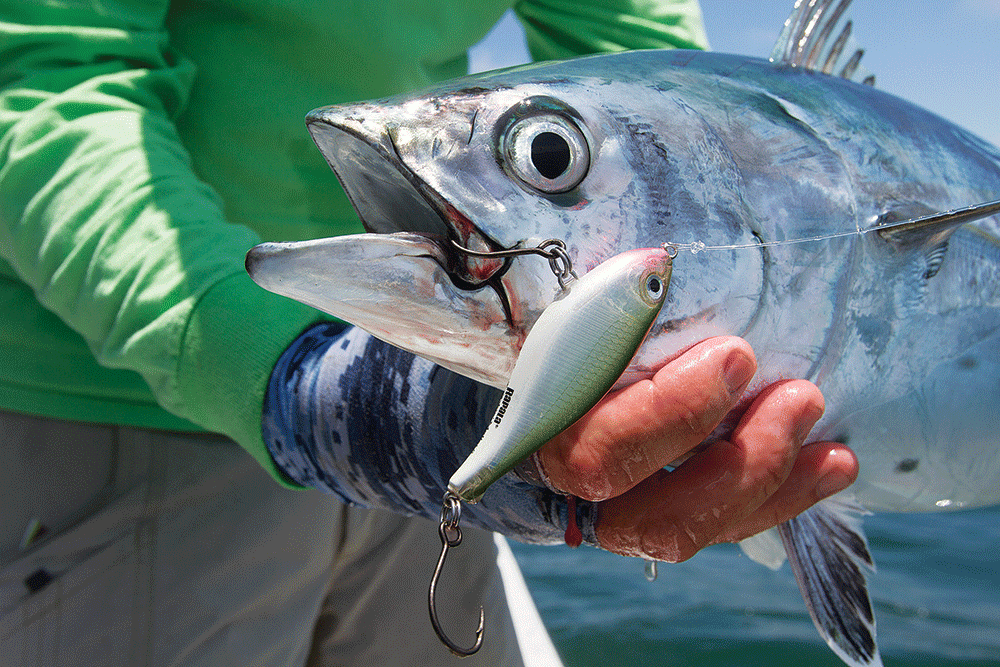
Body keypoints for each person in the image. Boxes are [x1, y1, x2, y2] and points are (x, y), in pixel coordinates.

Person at [0, 1, 858, 665]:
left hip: (436, 386)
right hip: (118, 401)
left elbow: (667, 98)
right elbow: (43, 82)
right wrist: (286, 379)